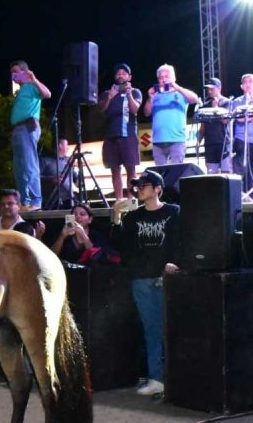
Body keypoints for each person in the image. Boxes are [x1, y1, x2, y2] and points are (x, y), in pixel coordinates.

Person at [111, 170, 181, 396]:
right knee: (152, 329)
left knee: (173, 327)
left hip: (168, 278)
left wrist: (174, 264)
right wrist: (115, 217)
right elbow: (121, 247)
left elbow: (181, 242)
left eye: (144, 185)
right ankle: (157, 378)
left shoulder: (173, 212)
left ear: (158, 189)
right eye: (137, 185)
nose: (139, 188)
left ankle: (173, 378)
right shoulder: (132, 218)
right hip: (141, 279)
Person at [9, 60, 52, 211]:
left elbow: (47, 94)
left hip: (27, 127)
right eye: (12, 72)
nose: (13, 75)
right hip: (18, 129)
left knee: (29, 165)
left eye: (16, 71)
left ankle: (35, 201)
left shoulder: (30, 86)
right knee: (19, 168)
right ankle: (24, 202)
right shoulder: (21, 90)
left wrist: (33, 80)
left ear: (25, 72)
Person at [98, 63, 143, 199]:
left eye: (124, 73)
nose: (120, 75)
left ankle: (131, 199)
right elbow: (101, 109)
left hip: (128, 134)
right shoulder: (107, 93)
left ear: (129, 76)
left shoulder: (135, 92)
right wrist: (109, 97)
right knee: (114, 170)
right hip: (111, 135)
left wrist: (129, 95)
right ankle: (119, 200)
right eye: (118, 73)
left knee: (131, 169)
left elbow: (135, 110)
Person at [143, 64, 200, 165]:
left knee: (176, 173)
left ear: (173, 78)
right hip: (158, 141)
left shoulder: (181, 94)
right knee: (160, 175)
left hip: (177, 140)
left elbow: (194, 99)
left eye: (167, 77)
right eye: (161, 78)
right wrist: (149, 97)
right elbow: (146, 113)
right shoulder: (155, 96)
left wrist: (177, 87)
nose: (164, 80)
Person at [197, 78, 233, 174]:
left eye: (212, 89)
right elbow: (203, 126)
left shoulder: (227, 102)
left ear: (219, 88)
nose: (209, 91)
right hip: (210, 144)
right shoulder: (205, 105)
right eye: (208, 89)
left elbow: (226, 121)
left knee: (226, 172)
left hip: (224, 143)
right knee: (211, 174)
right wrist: (198, 140)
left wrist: (216, 108)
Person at [230, 73, 253, 191]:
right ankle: (242, 195)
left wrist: (245, 118)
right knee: (241, 170)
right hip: (241, 140)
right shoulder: (237, 102)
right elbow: (237, 118)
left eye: (250, 81)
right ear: (241, 86)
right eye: (245, 82)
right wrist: (249, 117)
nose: (248, 84)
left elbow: (242, 118)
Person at [39, 138, 72, 208]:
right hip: (51, 200)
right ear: (60, 146)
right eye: (66, 145)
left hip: (68, 199)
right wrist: (51, 179)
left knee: (70, 219)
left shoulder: (68, 160)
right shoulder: (45, 161)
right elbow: (36, 178)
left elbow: (73, 178)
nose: (68, 148)